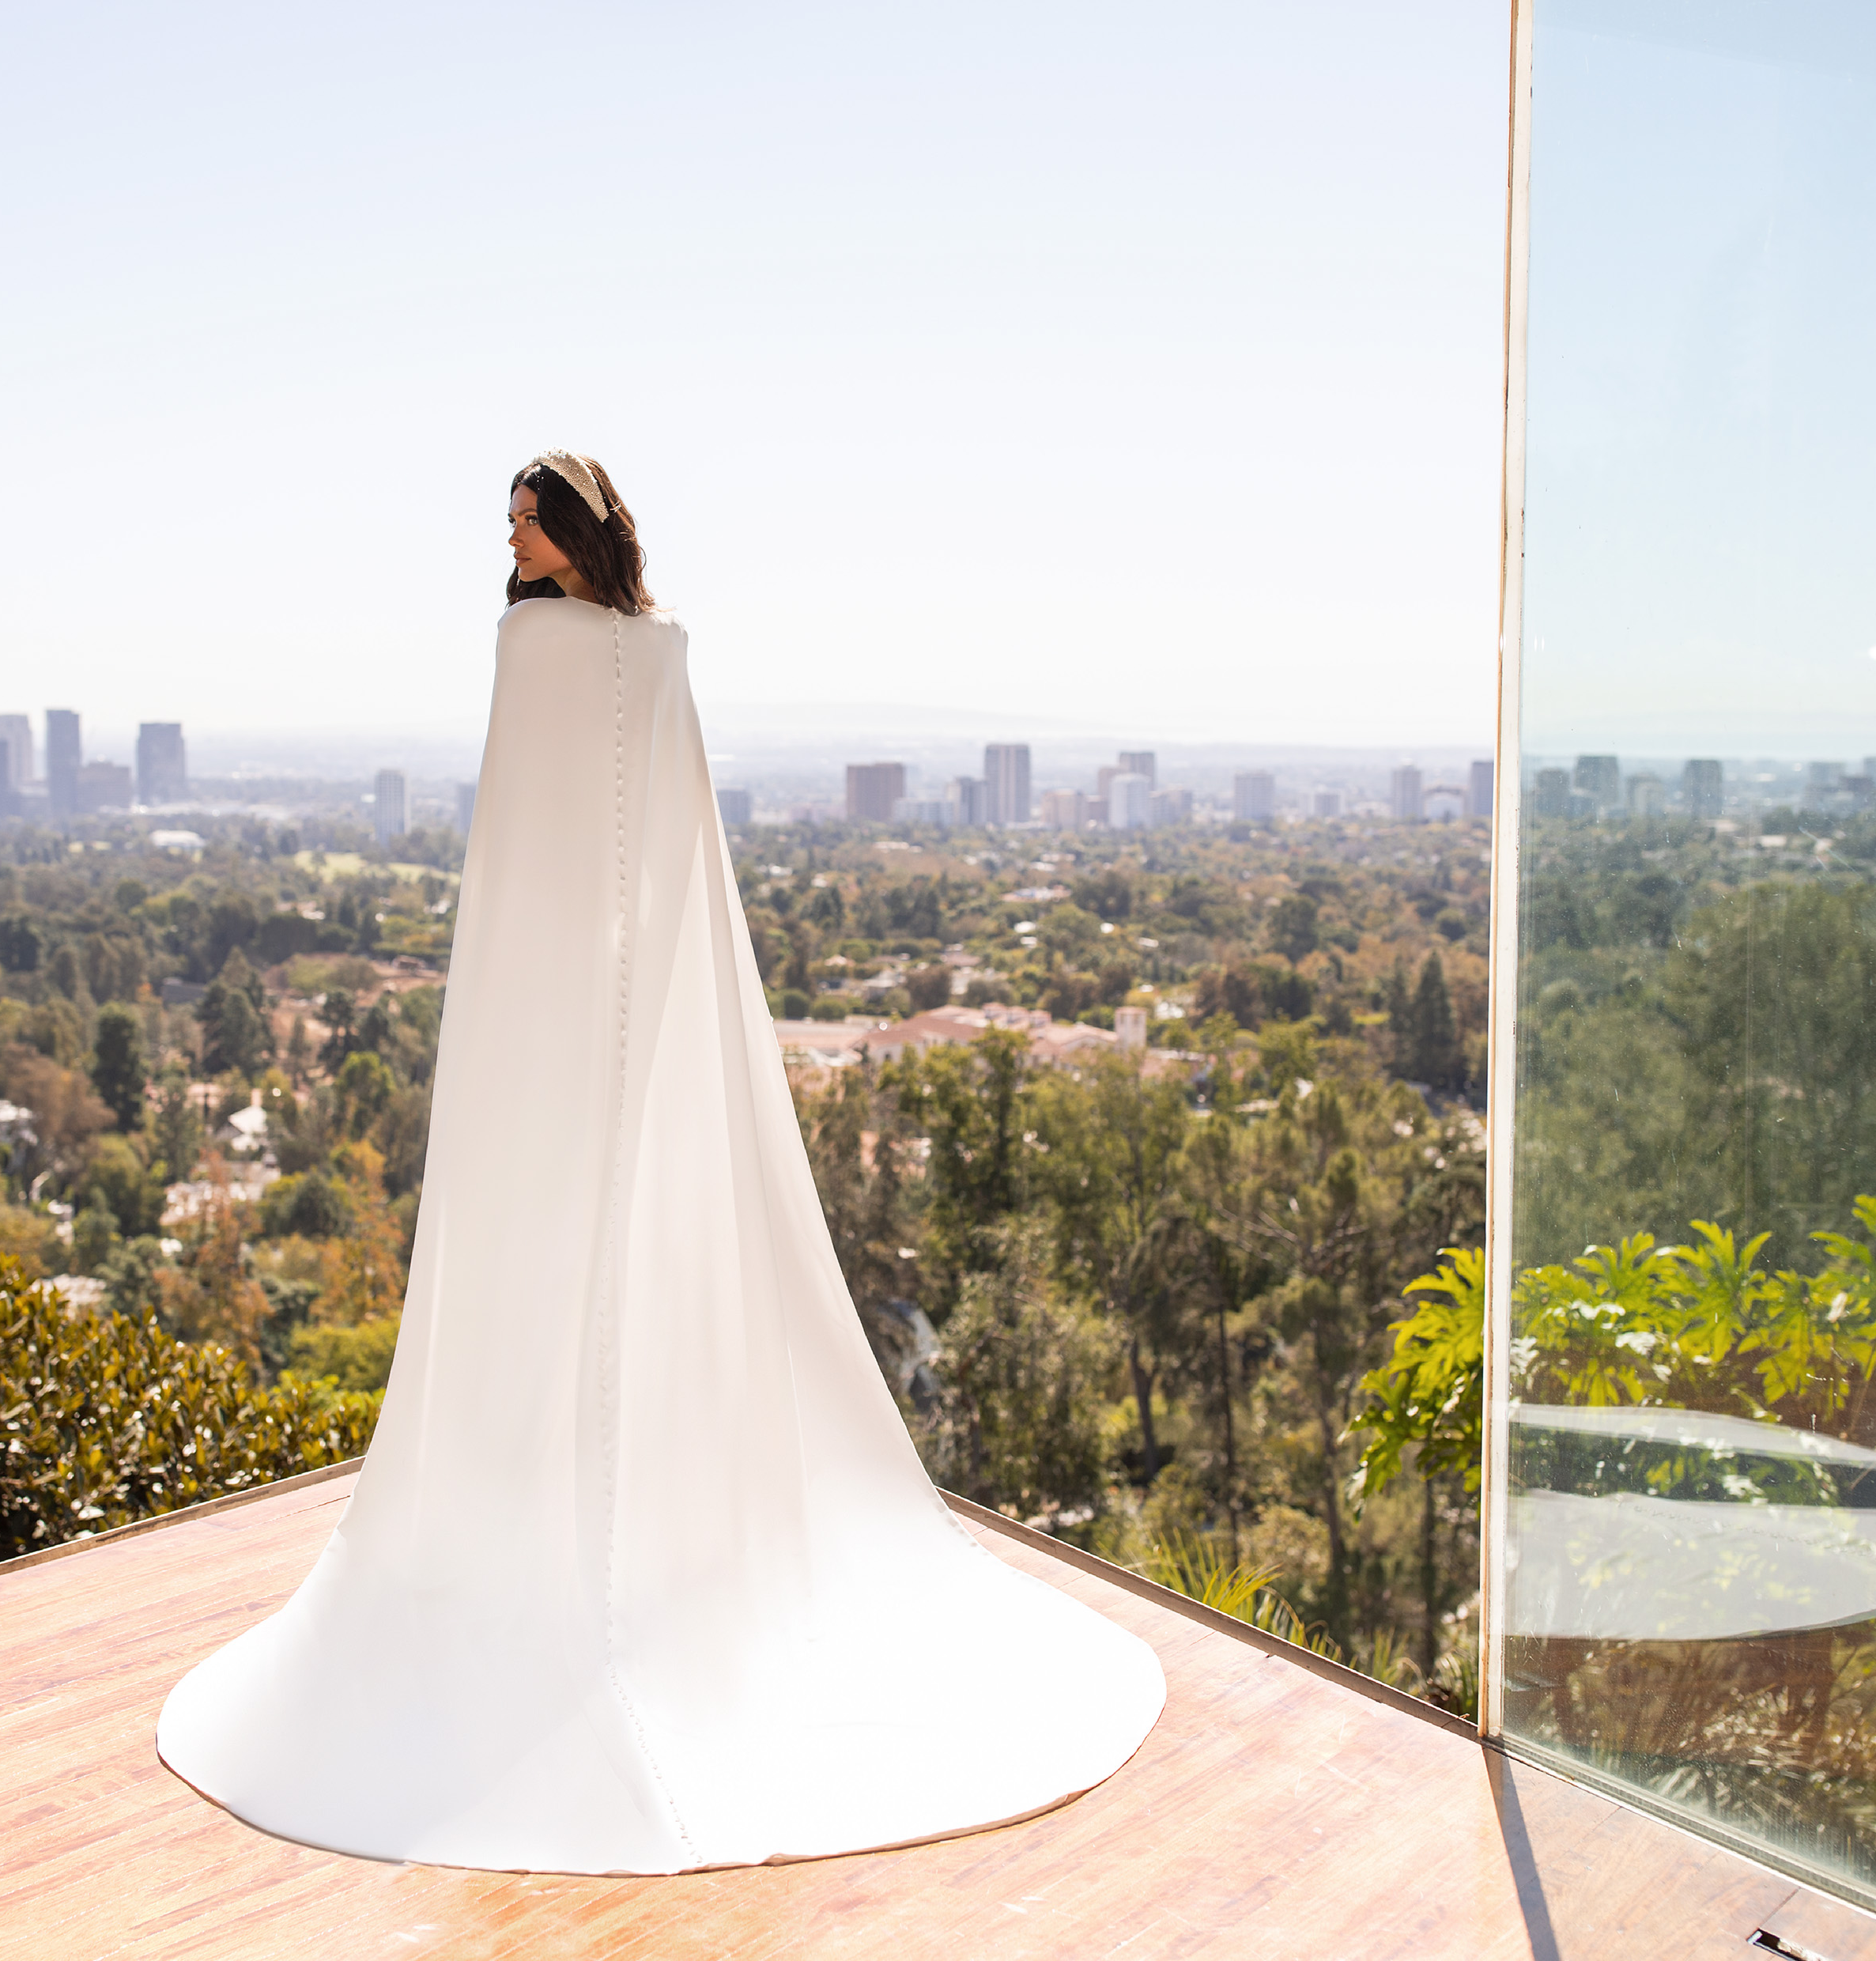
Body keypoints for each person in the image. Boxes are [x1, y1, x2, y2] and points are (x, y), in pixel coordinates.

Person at [157, 451, 1163, 1874]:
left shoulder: (551, 655)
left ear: (570, 531)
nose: (505, 538)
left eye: (522, 517)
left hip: (571, 1016)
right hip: (588, 1012)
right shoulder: (635, 654)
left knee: (586, 1258)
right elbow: (576, 852)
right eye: (508, 519)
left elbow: (557, 862)